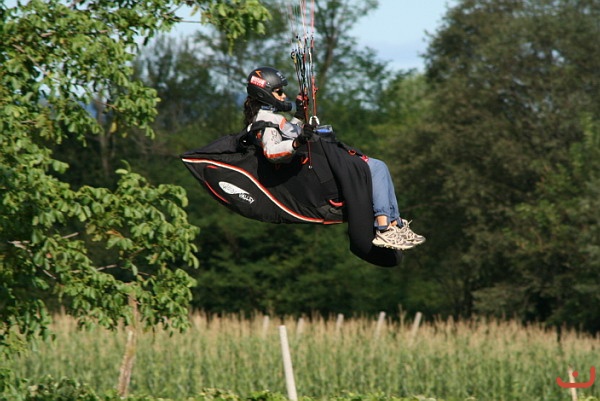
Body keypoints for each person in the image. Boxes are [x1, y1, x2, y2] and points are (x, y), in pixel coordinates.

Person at [244, 66, 425, 251]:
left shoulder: (272, 118)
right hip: (317, 171)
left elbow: (290, 132)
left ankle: (394, 224)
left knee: (379, 166)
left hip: (322, 161)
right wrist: (298, 142)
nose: (283, 96)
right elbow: (272, 152)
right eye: (279, 92)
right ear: (264, 93)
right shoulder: (265, 123)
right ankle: (384, 228)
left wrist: (299, 114)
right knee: (376, 168)